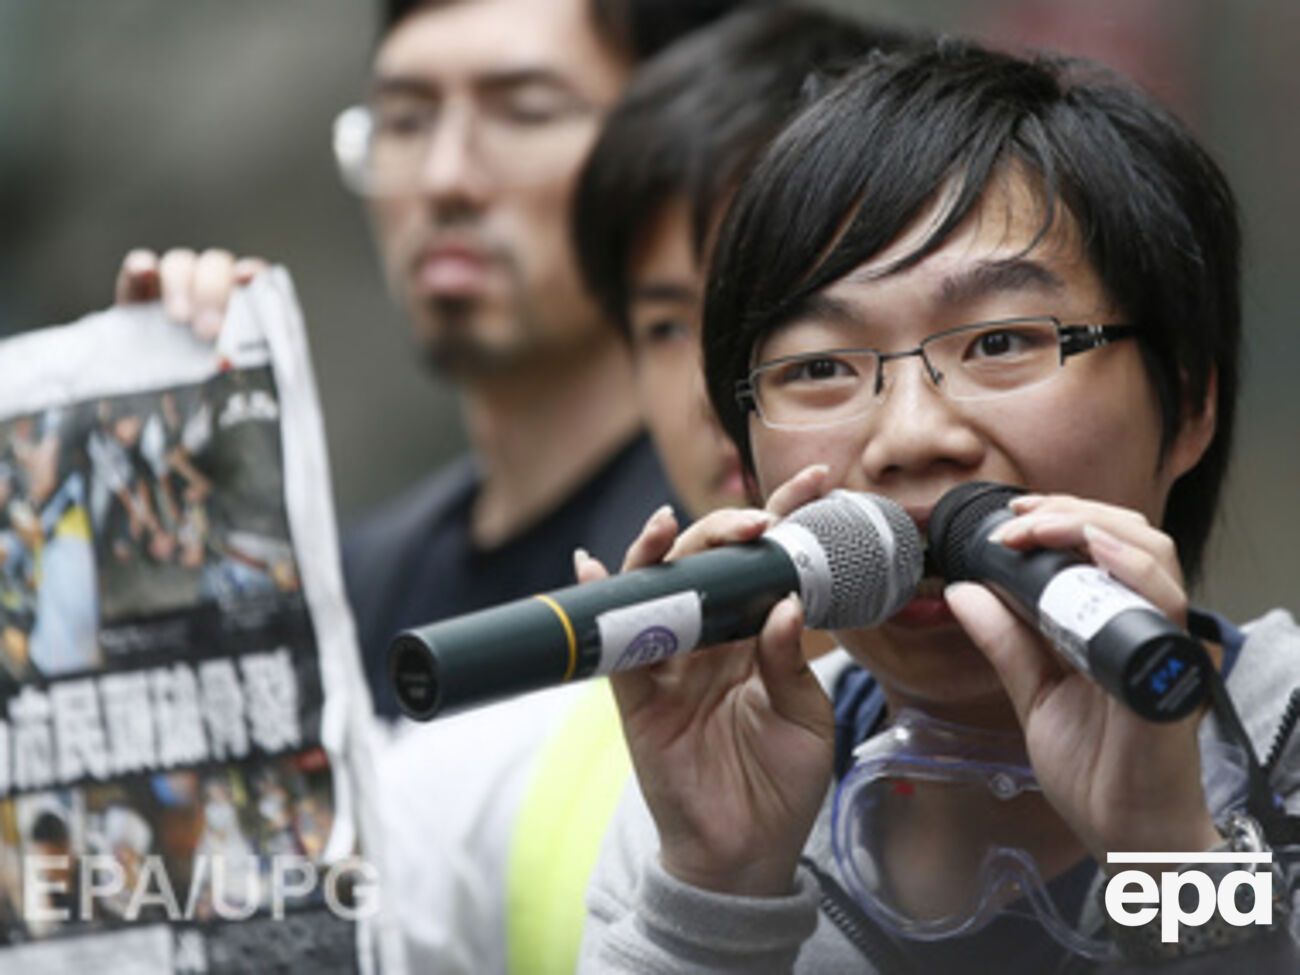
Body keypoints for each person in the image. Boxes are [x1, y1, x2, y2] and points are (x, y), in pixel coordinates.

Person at [578, 39, 1300, 972]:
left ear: (1190, 404)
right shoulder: (721, 778)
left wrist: (1164, 852)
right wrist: (717, 889)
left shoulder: (1283, 733)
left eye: (1001, 339)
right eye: (821, 369)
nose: (912, 436)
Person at [376, 7, 912, 973]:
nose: (725, 387)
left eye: (803, 323)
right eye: (671, 326)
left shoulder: (1226, 714)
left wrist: (1162, 842)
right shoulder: (496, 768)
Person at [114, 0, 747, 717]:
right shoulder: (357, 583)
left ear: (669, 144)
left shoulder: (722, 540)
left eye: (526, 112)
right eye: (405, 121)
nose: (444, 179)